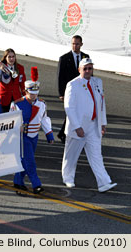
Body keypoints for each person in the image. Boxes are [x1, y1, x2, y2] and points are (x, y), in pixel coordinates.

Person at [62, 58, 117, 193]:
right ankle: (68, 178)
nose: (88, 71)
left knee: (96, 155)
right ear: (79, 70)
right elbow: (69, 107)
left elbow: (101, 104)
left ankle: (104, 182)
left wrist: (103, 123)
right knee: (71, 155)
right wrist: (77, 126)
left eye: (90, 68)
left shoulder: (97, 82)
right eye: (85, 68)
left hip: (94, 125)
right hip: (78, 126)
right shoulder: (72, 84)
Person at [10, 67, 54, 194]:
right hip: (22, 137)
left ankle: (18, 181)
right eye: (31, 93)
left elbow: (44, 119)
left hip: (34, 136)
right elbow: (9, 120)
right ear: (25, 91)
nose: (34, 95)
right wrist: (17, 128)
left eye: (36, 92)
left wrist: (49, 134)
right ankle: (36, 184)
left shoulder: (41, 104)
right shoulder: (17, 104)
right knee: (30, 162)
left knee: (25, 161)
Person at [57, 35, 89, 143]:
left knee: (76, 112)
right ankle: (64, 134)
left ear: (81, 44)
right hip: (70, 91)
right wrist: (61, 93)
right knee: (71, 111)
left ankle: (62, 133)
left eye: (77, 44)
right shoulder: (64, 58)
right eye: (73, 44)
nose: (75, 46)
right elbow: (60, 77)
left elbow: (89, 74)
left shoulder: (86, 57)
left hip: (82, 91)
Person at [0, 48, 26, 112]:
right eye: (9, 57)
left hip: (16, 98)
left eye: (13, 56)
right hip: (4, 99)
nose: (11, 59)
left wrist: (26, 97)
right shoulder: (0, 67)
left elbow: (22, 84)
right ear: (5, 58)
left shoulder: (20, 68)